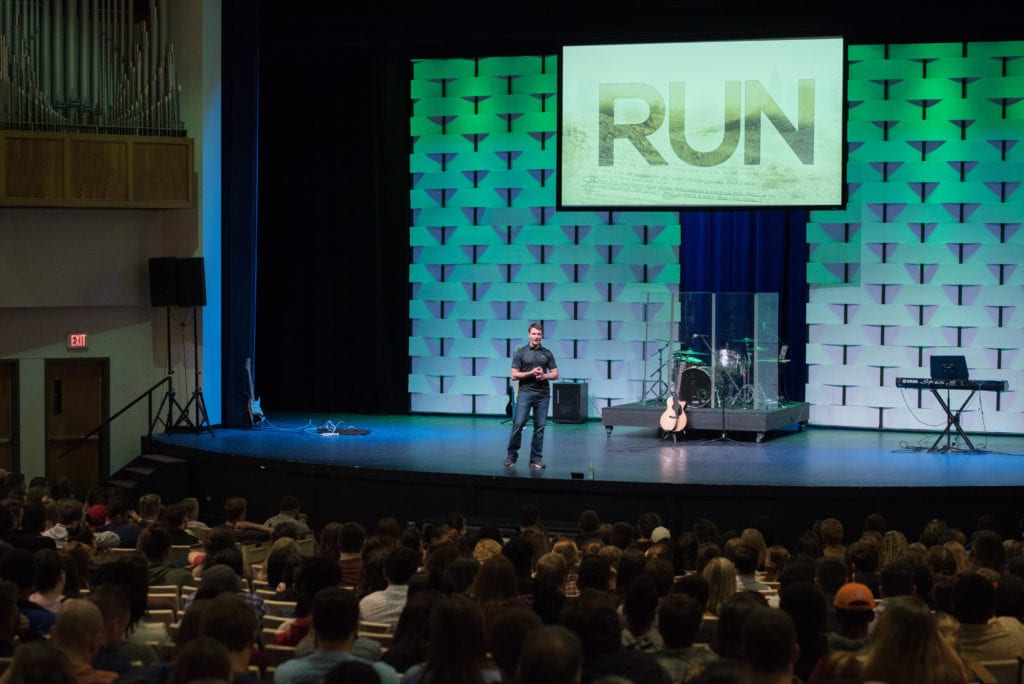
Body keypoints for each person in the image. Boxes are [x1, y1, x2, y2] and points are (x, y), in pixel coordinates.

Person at [504, 321, 558, 470]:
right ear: (529, 335)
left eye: (539, 334)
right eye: (533, 334)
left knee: (539, 428)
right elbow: (514, 375)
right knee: (519, 423)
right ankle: (511, 455)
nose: (536, 336)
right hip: (526, 392)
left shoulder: (547, 353)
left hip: (543, 394)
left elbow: (555, 373)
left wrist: (544, 376)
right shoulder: (521, 353)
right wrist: (531, 373)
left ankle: (535, 459)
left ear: (542, 336)